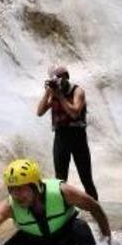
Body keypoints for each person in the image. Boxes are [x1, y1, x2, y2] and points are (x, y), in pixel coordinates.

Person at [36, 65, 99, 200]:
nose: (58, 81)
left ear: (66, 77)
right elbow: (39, 112)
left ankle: (95, 207)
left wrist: (60, 97)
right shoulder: (53, 92)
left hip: (78, 136)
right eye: (55, 78)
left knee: (86, 177)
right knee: (60, 179)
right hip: (61, 136)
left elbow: (75, 113)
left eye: (59, 78)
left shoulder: (77, 91)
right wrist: (48, 93)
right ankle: (61, 208)